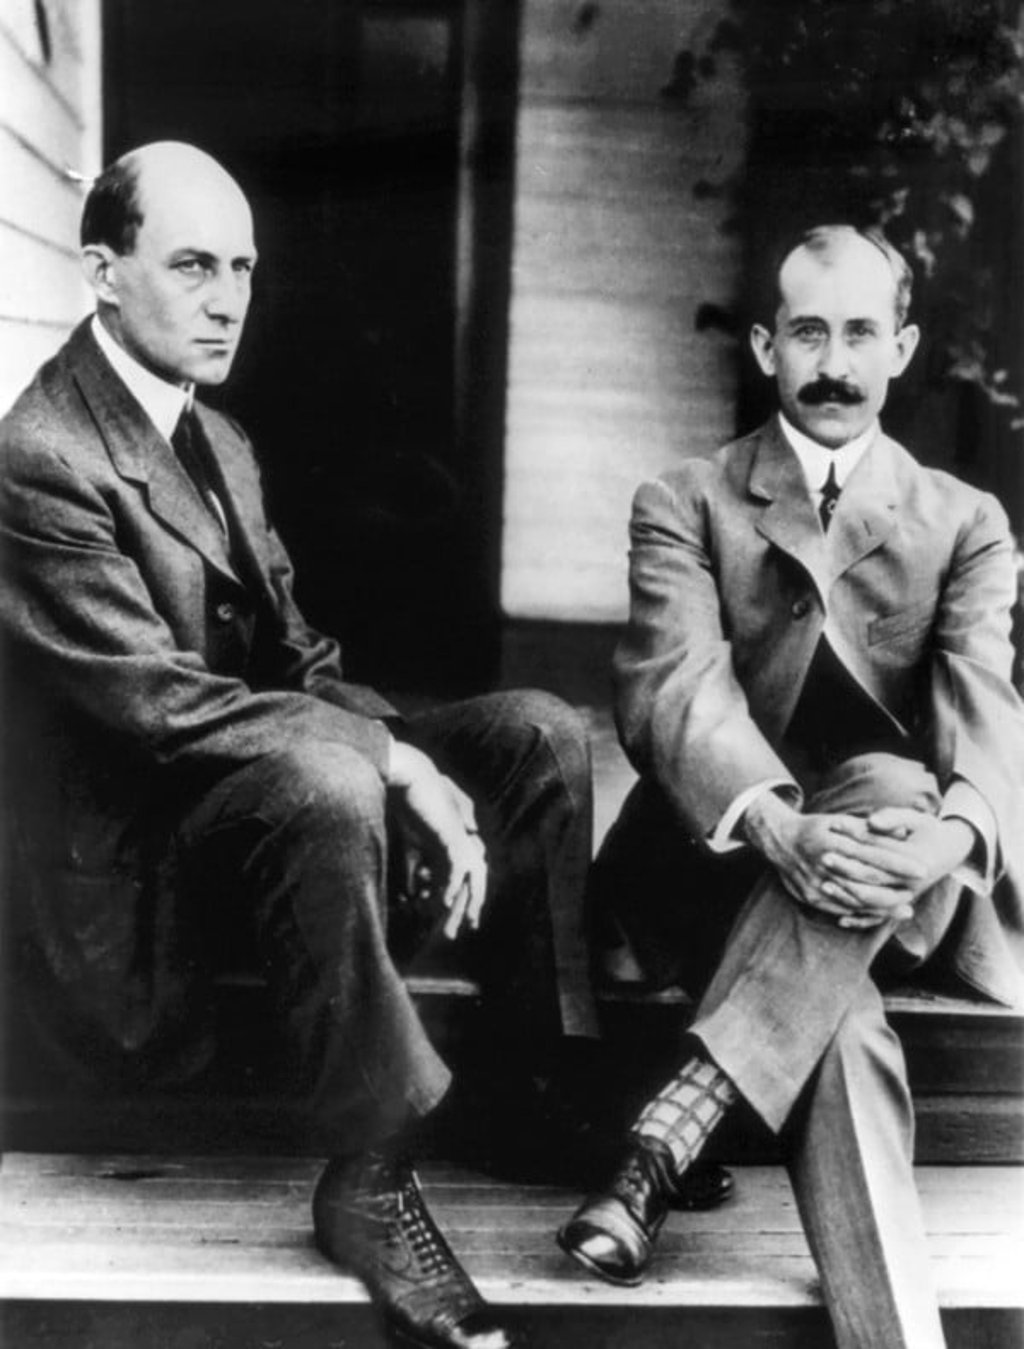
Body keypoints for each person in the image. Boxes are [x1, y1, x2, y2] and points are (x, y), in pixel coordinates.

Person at [0, 139, 603, 1349]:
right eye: (190, 265)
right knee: (331, 771)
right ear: (101, 272)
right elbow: (158, 706)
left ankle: (523, 1088)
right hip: (136, 875)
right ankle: (369, 1176)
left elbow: (296, 664)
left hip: (251, 810)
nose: (227, 298)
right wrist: (390, 763)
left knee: (535, 732)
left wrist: (418, 751)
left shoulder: (216, 439)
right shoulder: (42, 458)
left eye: (243, 267)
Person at [557, 224, 1024, 1349]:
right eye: (808, 330)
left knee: (893, 780)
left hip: (885, 875)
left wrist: (953, 840)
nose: (834, 360)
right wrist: (774, 824)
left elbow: (986, 707)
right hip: (709, 865)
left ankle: (665, 1137)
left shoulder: (962, 520)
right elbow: (676, 697)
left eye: (861, 331)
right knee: (846, 1025)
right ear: (766, 346)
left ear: (902, 346)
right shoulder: (685, 499)